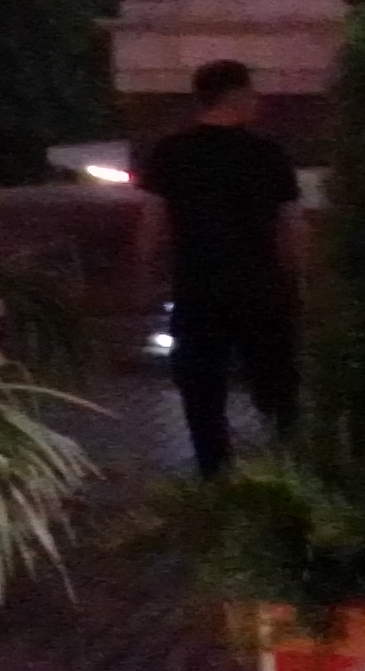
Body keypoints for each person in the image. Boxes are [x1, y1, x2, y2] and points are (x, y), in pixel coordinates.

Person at [130, 57, 305, 479]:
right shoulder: (266, 153)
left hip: (198, 286)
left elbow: (153, 223)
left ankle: (214, 472)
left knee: (202, 389)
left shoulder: (172, 152)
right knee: (276, 383)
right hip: (260, 287)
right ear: (237, 95)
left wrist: (145, 275)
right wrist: (300, 281)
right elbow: (291, 226)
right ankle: (287, 469)